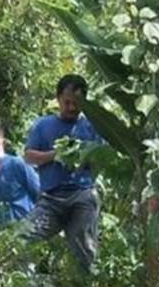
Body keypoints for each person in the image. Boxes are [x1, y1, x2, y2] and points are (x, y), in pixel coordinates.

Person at [23, 74, 102, 272]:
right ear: (58, 99)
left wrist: (82, 156)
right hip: (50, 199)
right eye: (67, 102)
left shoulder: (92, 127)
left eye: (77, 103)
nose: (72, 107)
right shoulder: (42, 125)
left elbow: (103, 158)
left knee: (85, 252)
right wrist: (56, 155)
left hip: (82, 195)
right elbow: (29, 157)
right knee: (23, 238)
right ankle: (20, 285)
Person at [0, 122, 40, 226]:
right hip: (5, 237)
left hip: (30, 229)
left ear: (2, 141)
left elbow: (41, 194)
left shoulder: (17, 164)